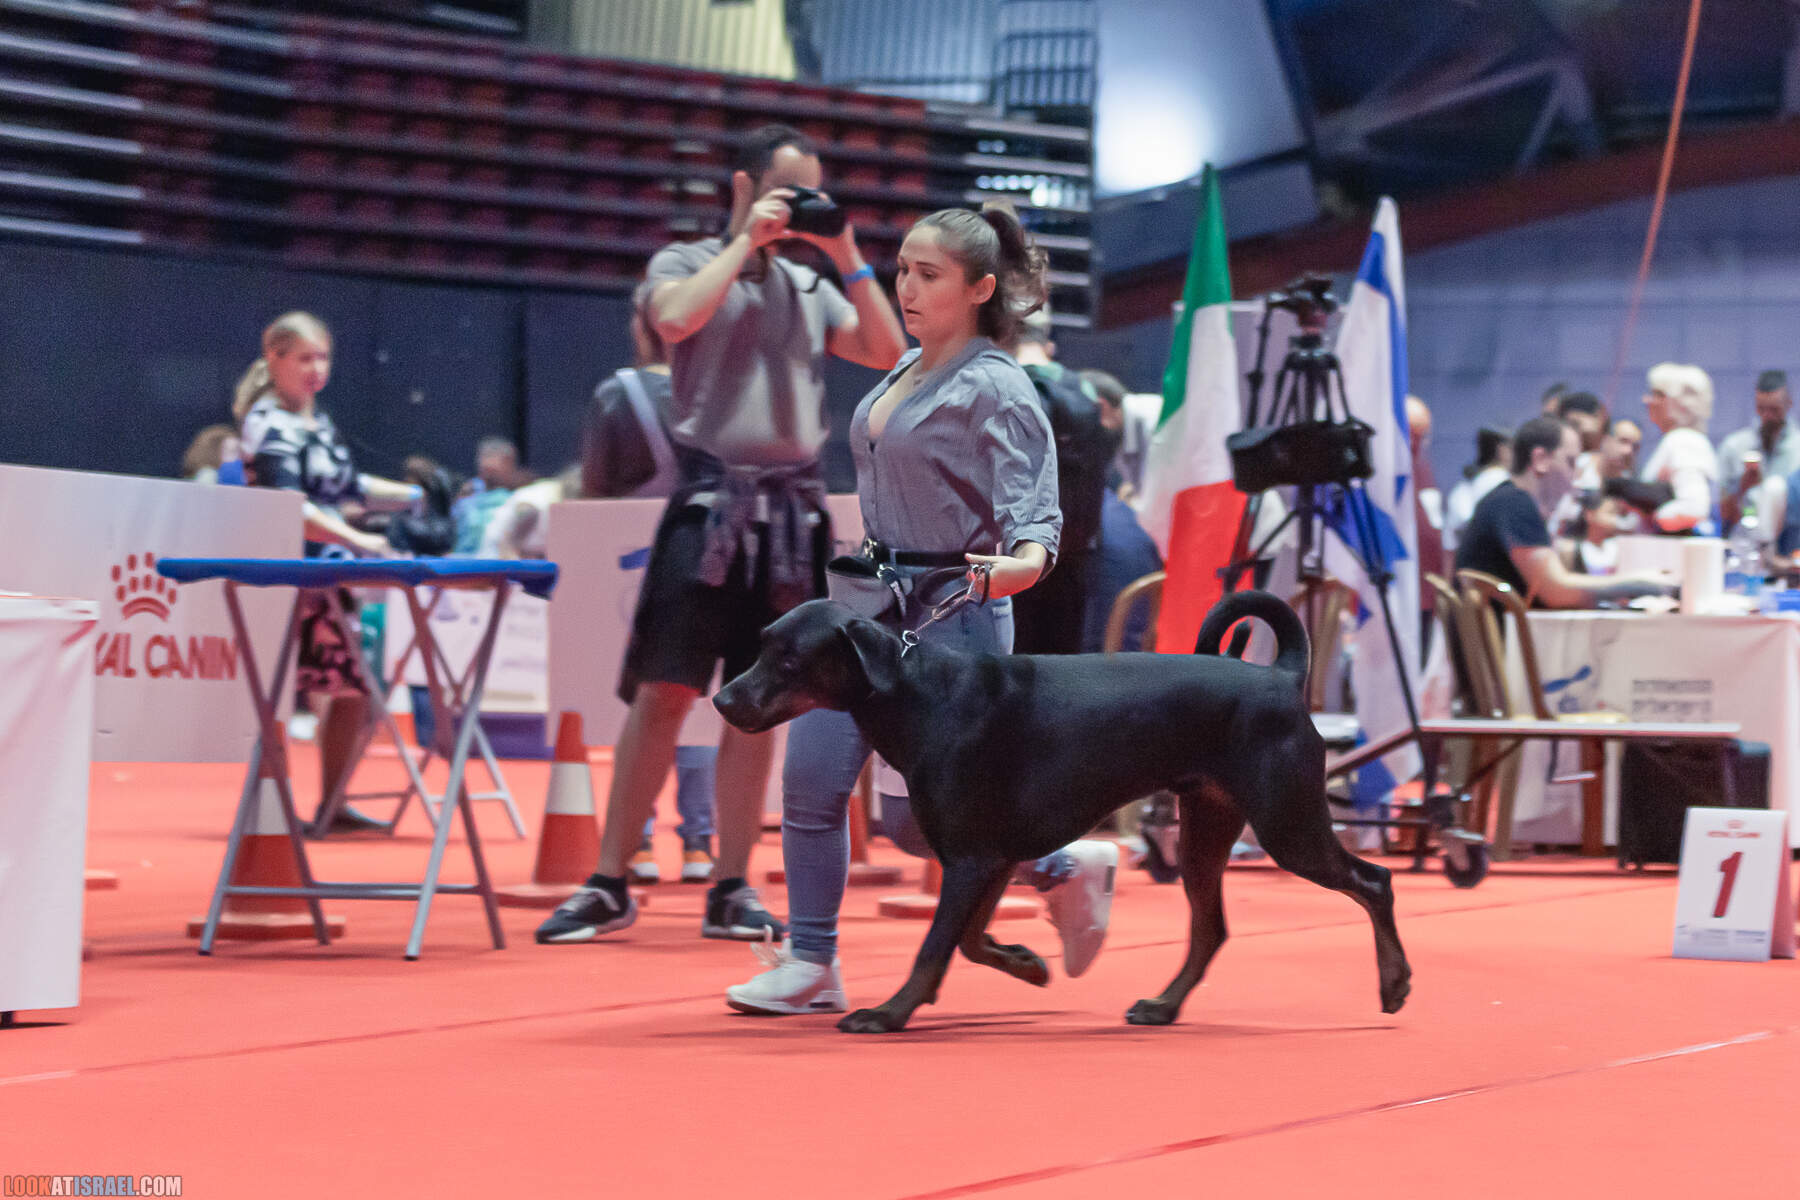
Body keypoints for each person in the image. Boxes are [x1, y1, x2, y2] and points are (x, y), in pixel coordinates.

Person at [724, 205, 1118, 1016]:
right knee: (809, 783)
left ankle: (1065, 867)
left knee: (918, 827)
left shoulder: (1001, 387)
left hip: (954, 624)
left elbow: (1037, 518)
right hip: (869, 612)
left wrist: (1021, 567)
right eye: (902, 268)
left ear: (978, 289)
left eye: (926, 274)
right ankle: (811, 960)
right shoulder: (904, 368)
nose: (906, 286)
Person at [536, 123, 906, 945]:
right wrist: (745, 242)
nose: (800, 208)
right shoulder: (685, 262)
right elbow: (671, 321)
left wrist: (843, 247)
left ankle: (733, 883)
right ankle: (608, 881)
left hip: (793, 513)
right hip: (709, 503)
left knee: (760, 701)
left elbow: (887, 350)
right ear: (744, 187)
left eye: (814, 193)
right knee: (663, 694)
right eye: (788, 190)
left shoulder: (815, 289)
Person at [233, 311, 419, 835]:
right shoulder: (268, 423)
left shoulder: (316, 421)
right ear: (274, 359)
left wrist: (412, 497)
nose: (317, 369)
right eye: (304, 358)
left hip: (329, 580)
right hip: (289, 579)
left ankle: (333, 803)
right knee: (280, 695)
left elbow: (344, 486)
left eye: (324, 357)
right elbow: (292, 505)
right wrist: (359, 539)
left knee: (353, 693)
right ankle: (268, 814)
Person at [1454, 417, 1672, 608]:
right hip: (1509, 648)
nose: (1573, 478)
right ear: (1540, 459)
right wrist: (1639, 582)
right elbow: (1555, 591)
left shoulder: (1505, 500)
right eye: (1570, 462)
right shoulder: (1516, 504)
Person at [1007, 309, 1112, 656]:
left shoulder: (1004, 385)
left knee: (1013, 667)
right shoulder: (1084, 388)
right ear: (1048, 345)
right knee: (1061, 669)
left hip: (1018, 557)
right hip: (1076, 556)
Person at [1630, 362, 1718, 534]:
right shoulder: (1681, 439)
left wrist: (1652, 518)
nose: (1647, 400)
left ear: (1679, 403)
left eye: (1658, 394)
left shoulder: (1684, 441)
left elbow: (1694, 507)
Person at [1718, 370, 1799, 531]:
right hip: (1743, 534)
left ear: (1789, 403)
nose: (1767, 416)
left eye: (1775, 410)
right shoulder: (1734, 446)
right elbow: (1723, 513)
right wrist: (1743, 488)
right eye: (1761, 409)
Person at [1443, 426, 1511, 554]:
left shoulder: (1462, 487)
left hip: (1466, 564)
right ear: (1501, 450)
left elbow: (1450, 542)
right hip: (1495, 564)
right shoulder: (1503, 482)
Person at [453, 437, 526, 554]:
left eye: (492, 458)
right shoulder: (466, 498)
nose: (486, 464)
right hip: (461, 561)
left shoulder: (522, 497)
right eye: (485, 457)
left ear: (509, 463)